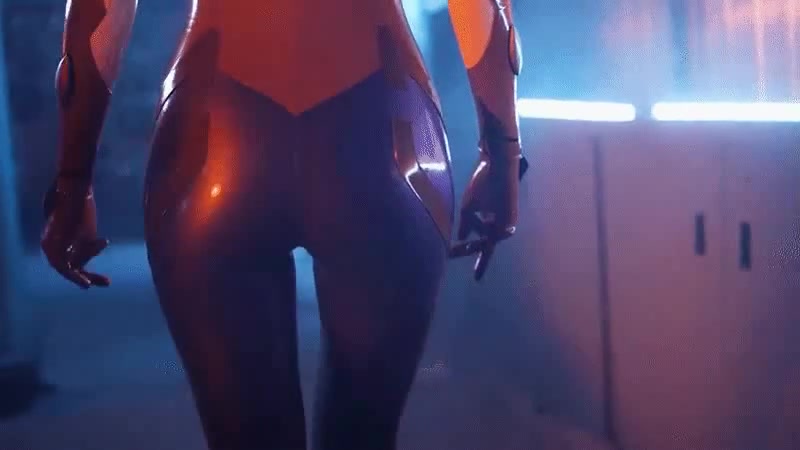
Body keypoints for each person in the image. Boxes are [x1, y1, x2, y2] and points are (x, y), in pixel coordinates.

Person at [40, 0, 525, 448]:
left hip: (215, 135)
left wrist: (72, 182)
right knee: (364, 434)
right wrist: (501, 153)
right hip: (384, 132)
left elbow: (99, 11)